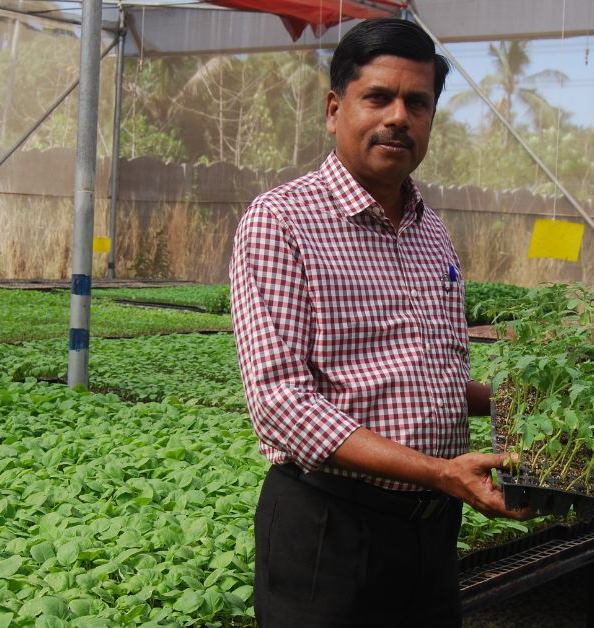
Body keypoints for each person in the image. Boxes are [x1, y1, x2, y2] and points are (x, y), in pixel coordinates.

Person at [229, 18, 528, 627]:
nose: (399, 116)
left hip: (432, 528)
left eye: (417, 103)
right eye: (378, 98)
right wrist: (441, 472)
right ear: (335, 107)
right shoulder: (282, 221)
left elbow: (428, 373)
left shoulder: (431, 230)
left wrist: (514, 402)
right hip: (330, 527)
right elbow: (280, 402)